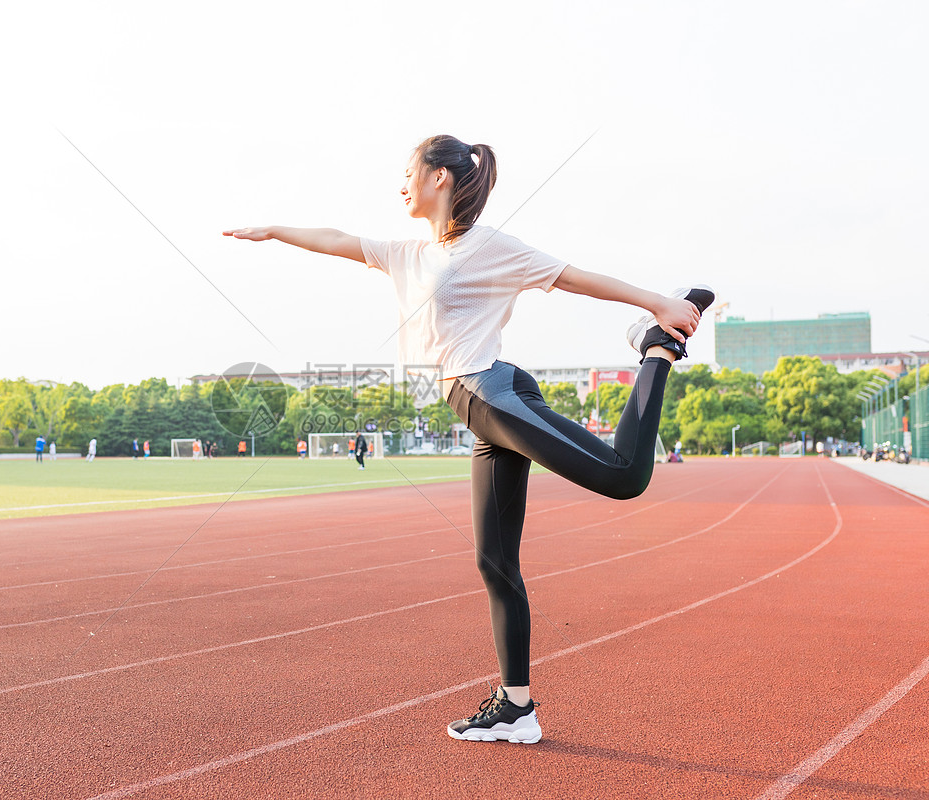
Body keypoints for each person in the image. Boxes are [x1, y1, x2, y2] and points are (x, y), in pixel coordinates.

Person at [225, 133, 713, 745]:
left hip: (492, 393)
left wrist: (658, 303)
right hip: (483, 409)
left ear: (440, 178)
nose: (400, 184)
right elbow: (338, 240)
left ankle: (657, 352)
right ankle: (516, 708)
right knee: (493, 560)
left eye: (408, 172)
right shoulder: (406, 253)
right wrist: (275, 229)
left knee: (623, 476)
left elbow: (570, 276)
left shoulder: (489, 247)